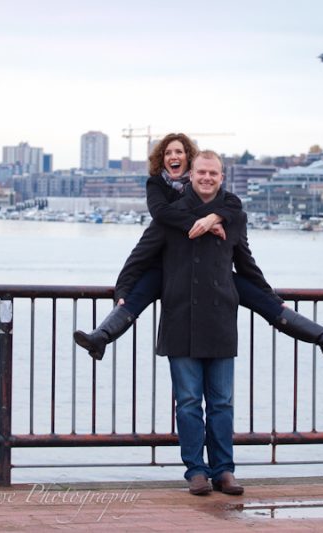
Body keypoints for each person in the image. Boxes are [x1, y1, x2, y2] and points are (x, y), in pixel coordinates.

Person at [73, 133, 323, 361]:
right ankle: (101, 337)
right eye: (168, 153)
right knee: (133, 299)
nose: (175, 157)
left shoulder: (221, 199)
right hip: (167, 270)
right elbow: (147, 243)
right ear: (164, 160)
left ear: (191, 162)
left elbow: (237, 220)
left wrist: (215, 216)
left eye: (180, 152)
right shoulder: (158, 189)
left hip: (213, 274)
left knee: (266, 302)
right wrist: (122, 288)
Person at [116, 150, 251, 494]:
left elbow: (246, 264)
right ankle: (196, 470)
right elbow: (141, 255)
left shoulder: (234, 216)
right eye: (202, 172)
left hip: (221, 319)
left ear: (222, 178)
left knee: (222, 403)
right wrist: (123, 290)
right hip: (180, 319)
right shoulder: (170, 215)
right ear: (191, 175)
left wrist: (270, 295)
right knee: (189, 402)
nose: (207, 178)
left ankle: (224, 470)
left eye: (214, 174)